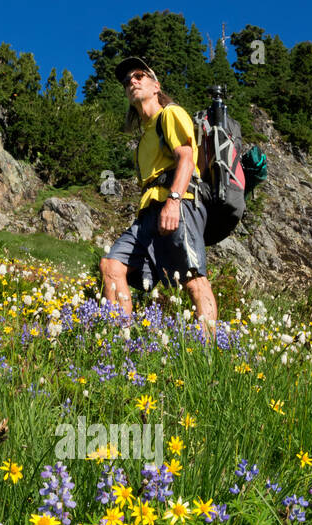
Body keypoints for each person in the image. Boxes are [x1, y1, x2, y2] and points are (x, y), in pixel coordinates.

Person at [101, 57, 218, 342]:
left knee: (192, 278)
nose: (132, 81)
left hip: (179, 203)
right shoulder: (143, 140)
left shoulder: (171, 114)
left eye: (139, 75)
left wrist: (174, 201)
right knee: (111, 266)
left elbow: (187, 159)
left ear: (156, 85)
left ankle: (210, 352)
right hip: (148, 216)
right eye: (127, 79)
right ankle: (121, 345)